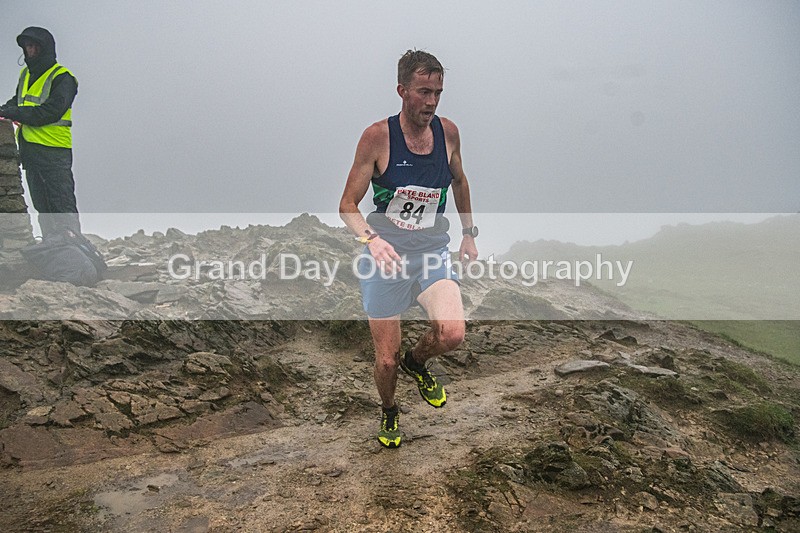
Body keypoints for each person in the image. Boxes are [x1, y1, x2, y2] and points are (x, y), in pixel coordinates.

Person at [339, 50, 479, 448]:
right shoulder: (377, 138)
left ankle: (417, 362)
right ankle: (389, 411)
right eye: (423, 92)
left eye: (437, 92)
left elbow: (460, 181)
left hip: (432, 249)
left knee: (451, 334)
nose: (431, 102)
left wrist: (469, 233)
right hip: (386, 256)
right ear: (402, 91)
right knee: (385, 360)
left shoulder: (448, 133)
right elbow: (347, 205)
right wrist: (371, 239)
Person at [0, 27, 81, 238]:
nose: (30, 50)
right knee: (43, 209)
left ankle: (74, 254)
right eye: (27, 46)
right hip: (31, 151)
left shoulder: (63, 77)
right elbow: (18, 102)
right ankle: (54, 251)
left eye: (35, 46)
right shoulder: (25, 74)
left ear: (46, 49)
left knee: (62, 207)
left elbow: (50, 112)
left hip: (54, 152)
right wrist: (3, 110)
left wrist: (12, 112)